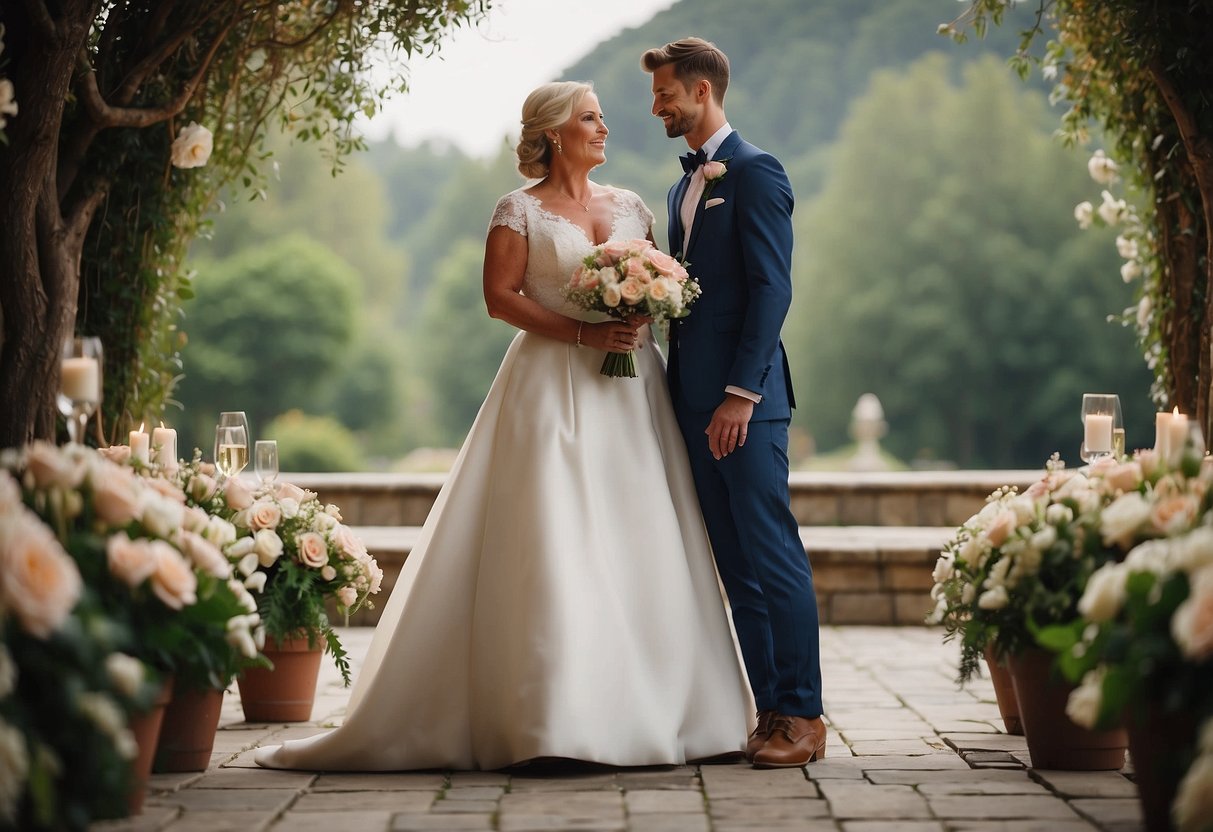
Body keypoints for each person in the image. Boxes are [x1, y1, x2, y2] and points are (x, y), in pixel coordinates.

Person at [254, 81, 752, 771]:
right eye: (589, 118)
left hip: (635, 393)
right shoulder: (517, 209)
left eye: (601, 117)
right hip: (550, 389)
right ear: (553, 133)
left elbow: (664, 284)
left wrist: (641, 314)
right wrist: (583, 334)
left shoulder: (633, 206)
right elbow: (499, 298)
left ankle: (675, 712)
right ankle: (548, 719)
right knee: (554, 534)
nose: (604, 127)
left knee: (643, 532)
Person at [641, 38, 826, 768]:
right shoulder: (677, 187)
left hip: (743, 407)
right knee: (735, 567)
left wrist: (741, 394)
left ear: (700, 91)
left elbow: (771, 289)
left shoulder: (754, 172)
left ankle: (806, 716)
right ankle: (771, 710)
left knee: (772, 555)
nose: (655, 107)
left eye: (664, 95)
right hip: (689, 401)